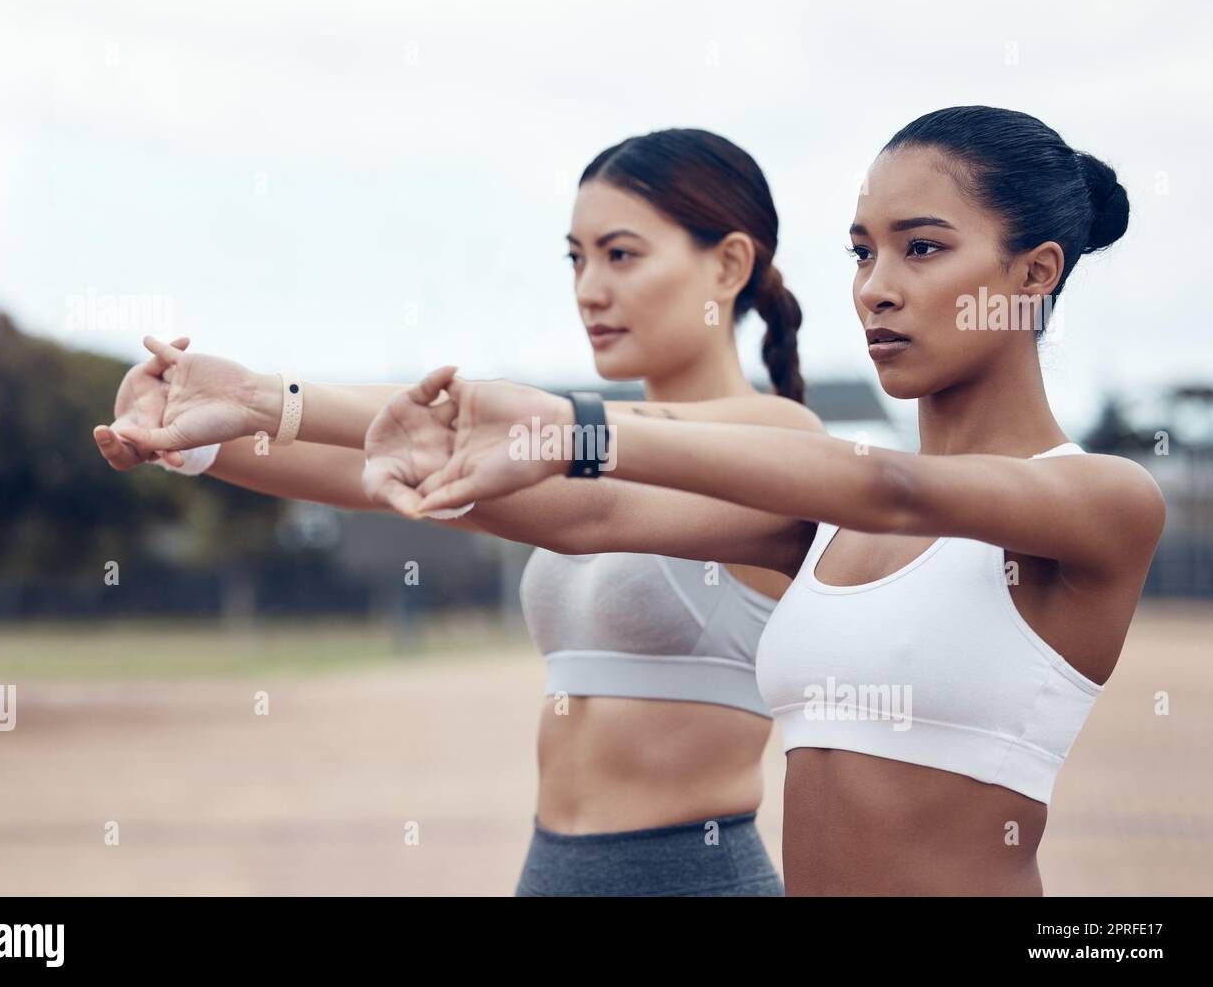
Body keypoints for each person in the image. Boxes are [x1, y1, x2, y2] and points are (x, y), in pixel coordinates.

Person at [398, 106, 1166, 896]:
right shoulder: (828, 520)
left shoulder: (1103, 498)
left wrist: (574, 425)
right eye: (862, 253)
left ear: (1035, 274)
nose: (875, 289)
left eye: (922, 248)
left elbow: (890, 488)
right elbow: (591, 515)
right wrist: (280, 410)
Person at [95, 129, 822, 895]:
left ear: (730, 263)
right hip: (551, 872)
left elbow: (578, 508)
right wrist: (193, 430)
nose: (588, 289)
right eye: (575, 258)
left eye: (621, 254)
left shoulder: (781, 441)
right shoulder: (574, 436)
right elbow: (385, 462)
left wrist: (258, 396)